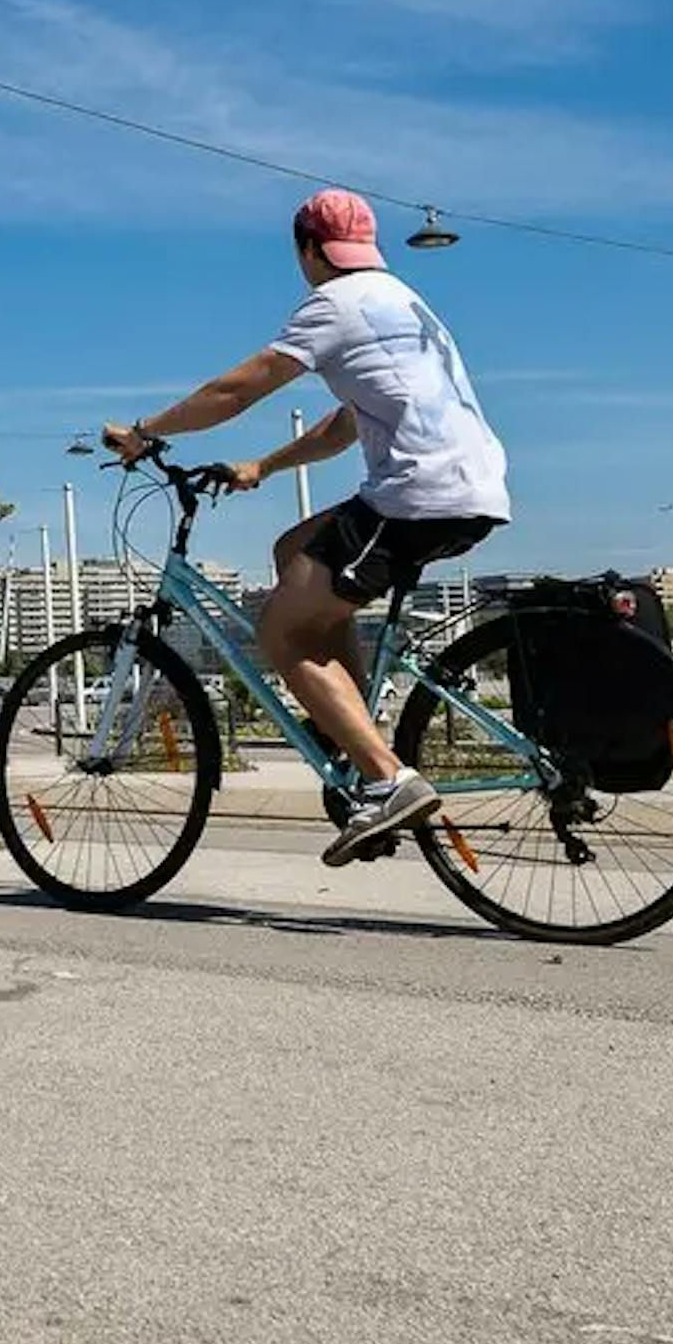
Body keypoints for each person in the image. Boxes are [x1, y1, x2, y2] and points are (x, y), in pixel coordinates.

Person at [105, 190, 509, 864]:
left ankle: (387, 778)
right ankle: (350, 732)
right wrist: (264, 465)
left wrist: (146, 432)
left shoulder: (333, 304)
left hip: (418, 495)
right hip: (475, 487)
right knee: (293, 548)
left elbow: (237, 390)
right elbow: (348, 421)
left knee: (280, 631)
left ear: (308, 251)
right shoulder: (402, 301)